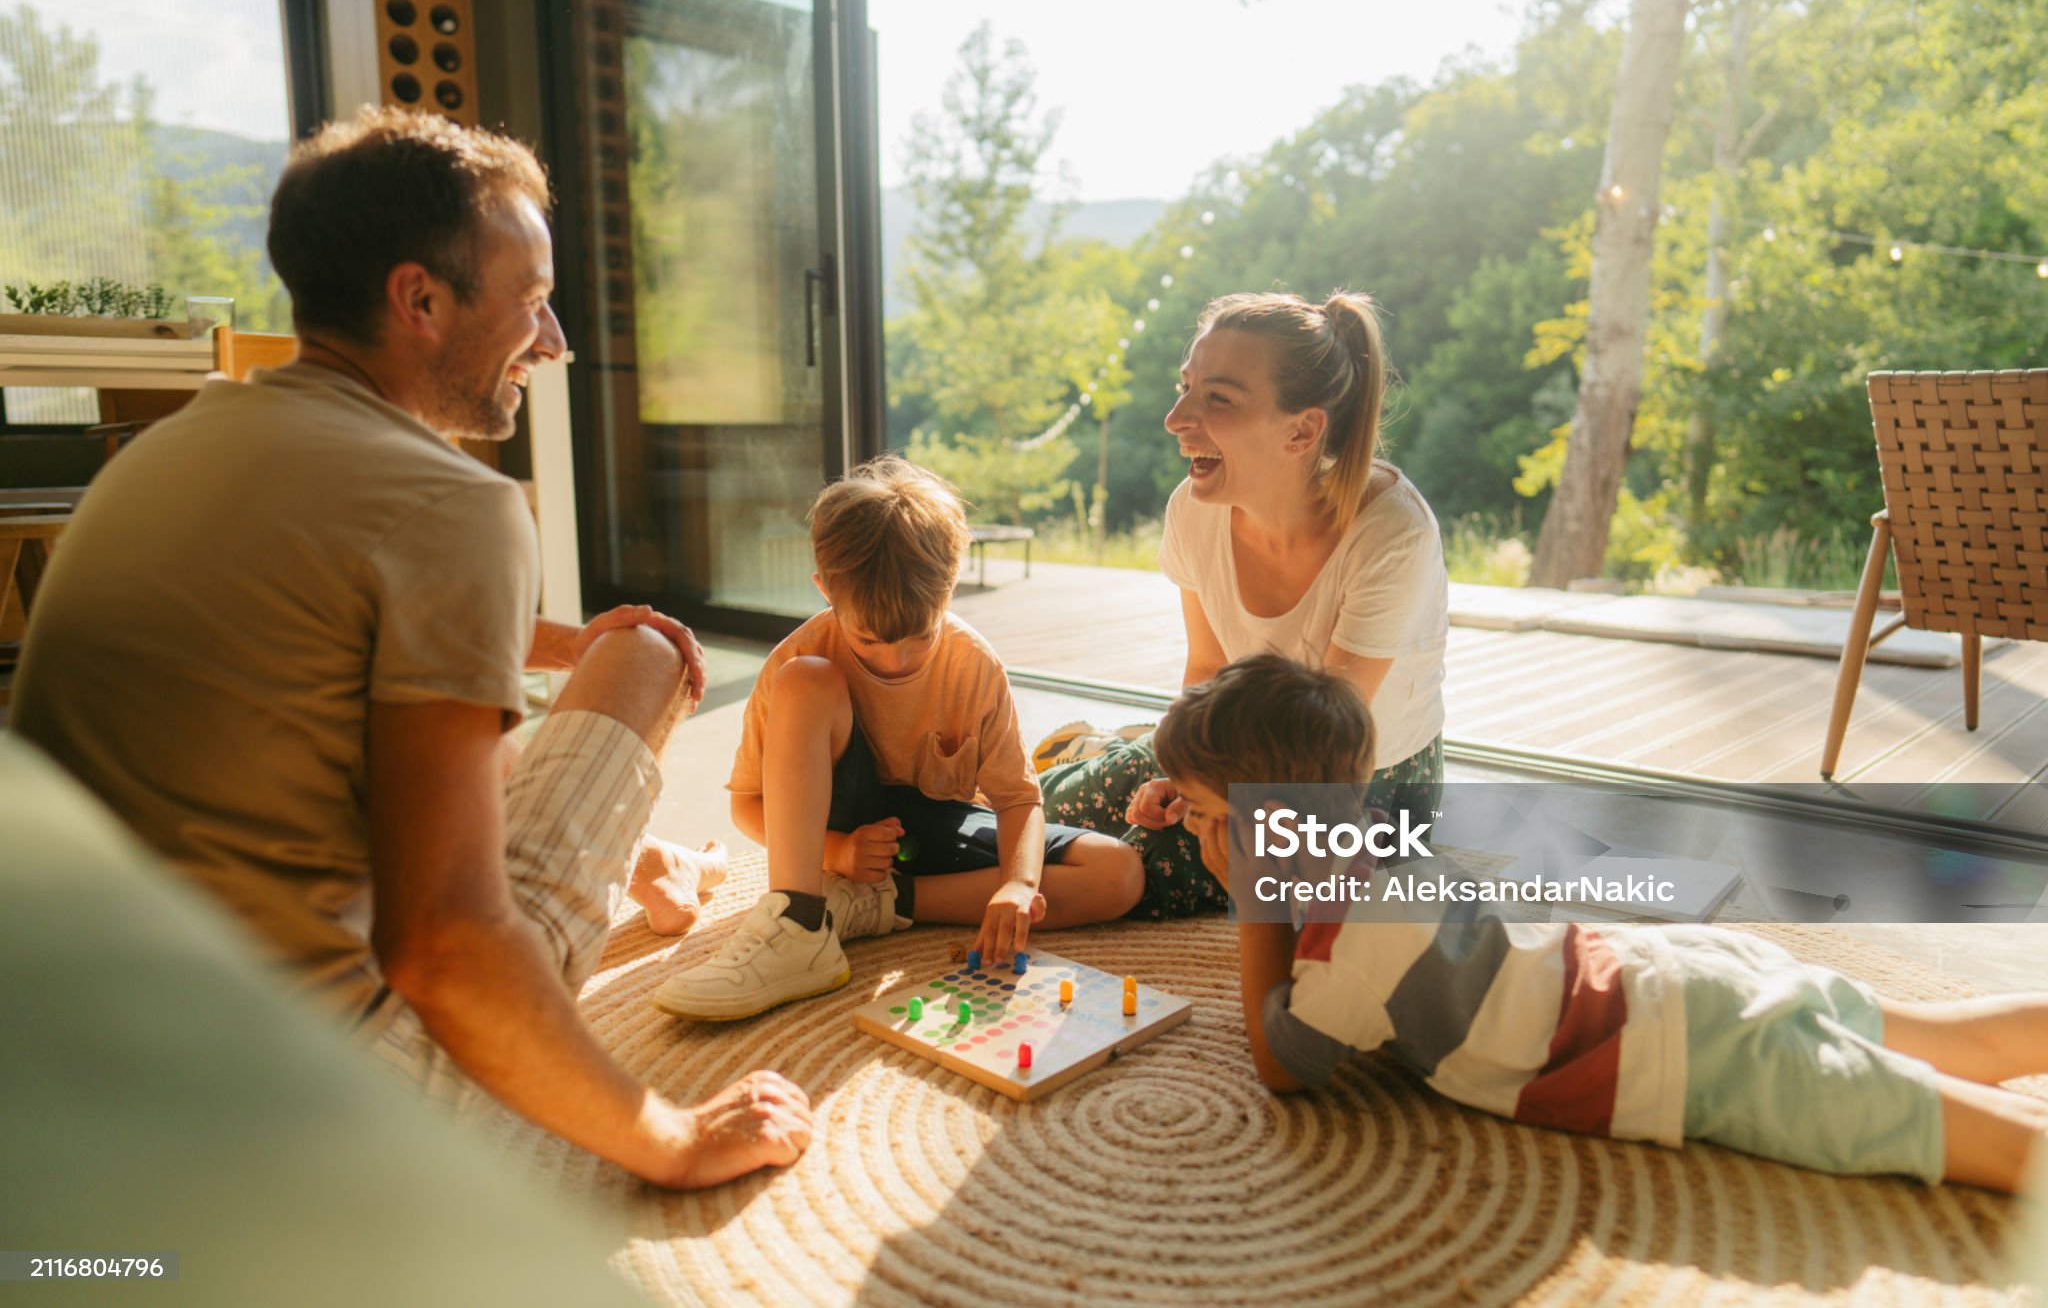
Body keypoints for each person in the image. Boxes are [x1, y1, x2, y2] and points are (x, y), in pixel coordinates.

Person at [11, 107, 809, 1190]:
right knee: (648, 658)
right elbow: (447, 949)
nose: (553, 341)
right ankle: (630, 867)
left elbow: (328, 626)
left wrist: (558, 641)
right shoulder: (453, 507)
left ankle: (641, 862)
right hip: (300, 1099)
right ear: (418, 300)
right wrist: (672, 1138)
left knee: (536, 696)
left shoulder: (166, 450)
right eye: (531, 301)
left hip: (71, 1035)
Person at [1156, 653, 2048, 1193]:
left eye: (1201, 813)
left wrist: (1253, 903)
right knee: (1945, 1040)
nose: (1194, 830)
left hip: (1690, 1047)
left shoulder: (1355, 946)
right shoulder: (1392, 858)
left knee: (1975, 1140)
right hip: (1684, 969)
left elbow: (1283, 1064)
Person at [649, 456, 1145, 1021]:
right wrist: (837, 851)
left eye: (919, 635)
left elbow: (1016, 798)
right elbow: (747, 805)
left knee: (1119, 873)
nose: (896, 658)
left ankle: (878, 908)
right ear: (824, 592)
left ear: (950, 587)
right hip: (833, 834)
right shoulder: (796, 661)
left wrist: (1015, 884)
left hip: (933, 829)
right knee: (806, 681)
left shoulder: (974, 663)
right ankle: (800, 921)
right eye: (868, 639)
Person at [1040, 289, 1449, 918]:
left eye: (1217, 399)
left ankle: (1105, 752)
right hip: (1239, 742)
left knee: (1142, 866)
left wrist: (1202, 792)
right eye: (1185, 388)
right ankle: (1099, 755)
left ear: (1303, 429)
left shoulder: (1393, 533)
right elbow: (1206, 670)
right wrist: (1179, 771)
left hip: (1359, 779)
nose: (1177, 418)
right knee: (1052, 808)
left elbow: (1327, 743)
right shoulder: (1193, 508)